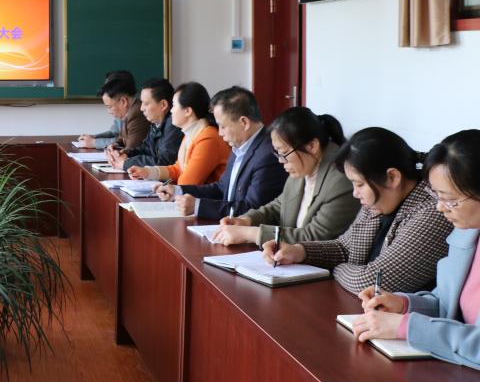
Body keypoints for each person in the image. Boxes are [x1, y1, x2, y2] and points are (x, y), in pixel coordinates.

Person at [264, 127, 452, 295]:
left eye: (360, 184)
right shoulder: (381, 200)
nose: (355, 193)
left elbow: (373, 282)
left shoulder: (434, 211)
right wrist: (300, 252)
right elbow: (345, 247)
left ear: (392, 177)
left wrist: (335, 268)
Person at [353, 130, 480, 370]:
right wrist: (403, 305)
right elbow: (448, 305)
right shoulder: (468, 232)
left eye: (450, 199)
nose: (440, 208)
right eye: (436, 195)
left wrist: (406, 327)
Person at [211, 106, 359, 246]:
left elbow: (315, 237)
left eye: (284, 153)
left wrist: (250, 233)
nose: (281, 161)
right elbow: (278, 206)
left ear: (312, 146)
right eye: (278, 153)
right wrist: (246, 220)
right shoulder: (305, 165)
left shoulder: (340, 179)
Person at [157, 86, 286, 218]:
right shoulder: (239, 146)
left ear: (244, 122)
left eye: (222, 126)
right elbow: (221, 188)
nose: (220, 133)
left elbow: (251, 210)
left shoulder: (268, 155)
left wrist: (197, 206)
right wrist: (178, 191)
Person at [126, 82, 230, 187]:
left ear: (188, 111)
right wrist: (147, 172)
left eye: (174, 105)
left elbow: (187, 183)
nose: (171, 110)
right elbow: (178, 169)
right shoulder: (192, 133)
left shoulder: (208, 138)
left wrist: (170, 187)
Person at [107, 78, 182, 171]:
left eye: (146, 103)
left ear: (163, 105)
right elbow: (145, 149)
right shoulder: (156, 123)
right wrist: (126, 154)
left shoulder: (174, 125)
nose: (141, 108)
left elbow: (165, 162)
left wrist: (126, 163)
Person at [77, 71, 136, 150]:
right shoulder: (121, 110)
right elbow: (114, 133)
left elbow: (127, 142)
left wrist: (94, 142)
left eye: (109, 86)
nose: (106, 90)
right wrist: (94, 137)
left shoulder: (137, 112)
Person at [97, 72, 149, 156]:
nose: (109, 111)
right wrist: (116, 144)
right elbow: (122, 137)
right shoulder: (129, 111)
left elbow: (131, 151)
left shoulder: (137, 113)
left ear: (123, 102)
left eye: (109, 107)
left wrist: (117, 154)